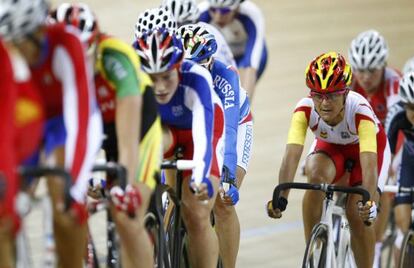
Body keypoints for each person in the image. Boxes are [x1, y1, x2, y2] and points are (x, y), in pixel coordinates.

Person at [49, 3, 163, 267]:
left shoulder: (116, 56)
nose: (77, 63)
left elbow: (128, 140)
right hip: (93, 125)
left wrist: (125, 185)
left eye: (84, 53)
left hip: (136, 124)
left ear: (97, 44)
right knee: (67, 205)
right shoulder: (50, 67)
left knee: (127, 215)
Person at [0, 0, 103, 267]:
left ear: (37, 33)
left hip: (66, 123)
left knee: (64, 202)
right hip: (30, 120)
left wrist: (75, 186)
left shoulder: (66, 44)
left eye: (19, 44)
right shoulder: (6, 53)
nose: (14, 53)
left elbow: (78, 120)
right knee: (3, 213)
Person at [266, 52, 391, 268]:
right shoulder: (304, 110)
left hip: (367, 152)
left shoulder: (360, 112)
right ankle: (313, 254)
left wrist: (370, 200)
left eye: (332, 95)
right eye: (318, 95)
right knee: (314, 176)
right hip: (331, 149)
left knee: (357, 211)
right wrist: (281, 197)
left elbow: (370, 165)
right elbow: (291, 157)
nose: (324, 103)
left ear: (345, 93)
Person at [134, 10, 225, 266]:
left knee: (196, 213)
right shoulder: (133, 80)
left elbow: (203, 136)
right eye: (152, 79)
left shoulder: (196, 78)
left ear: (178, 66)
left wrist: (199, 177)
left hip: (202, 132)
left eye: (166, 76)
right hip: (166, 132)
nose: (160, 87)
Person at [178, 23, 253, 268]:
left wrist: (228, 177)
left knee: (223, 201)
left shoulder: (227, 77)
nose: (188, 72)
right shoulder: (175, 76)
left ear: (210, 62)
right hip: (198, 127)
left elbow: (229, 132)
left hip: (234, 126)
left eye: (195, 66)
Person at [348, 29, 402, 266]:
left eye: (372, 71)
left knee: (385, 187)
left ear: (384, 66)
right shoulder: (349, 82)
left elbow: (397, 130)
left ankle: (376, 247)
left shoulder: (394, 84)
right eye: (360, 70)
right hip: (361, 142)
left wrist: (389, 165)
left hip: (392, 141)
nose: (365, 77)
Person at [198, 0, 267, 101]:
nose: (217, 17)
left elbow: (250, 65)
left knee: (240, 95)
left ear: (236, 8)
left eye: (224, 11)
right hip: (221, 55)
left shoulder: (252, 14)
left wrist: (243, 111)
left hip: (245, 55)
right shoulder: (200, 13)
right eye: (213, 10)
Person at [384, 71, 414, 266]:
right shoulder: (396, 115)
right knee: (404, 228)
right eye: (411, 108)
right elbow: (385, 156)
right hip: (410, 164)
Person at [162, 0, 237, 67]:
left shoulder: (206, 32)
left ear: (196, 21)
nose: (178, 29)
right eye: (173, 26)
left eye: (184, 24)